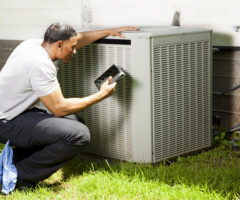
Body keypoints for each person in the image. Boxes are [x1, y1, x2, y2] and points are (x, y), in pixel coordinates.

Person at [0, 23, 138, 189]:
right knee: (79, 135)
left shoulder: (33, 44)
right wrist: (100, 96)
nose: (75, 51)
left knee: (74, 121)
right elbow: (59, 108)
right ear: (59, 44)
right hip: (6, 122)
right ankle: (19, 178)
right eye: (72, 48)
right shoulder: (41, 65)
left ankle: (13, 162)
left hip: (14, 113)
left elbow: (78, 39)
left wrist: (109, 31)